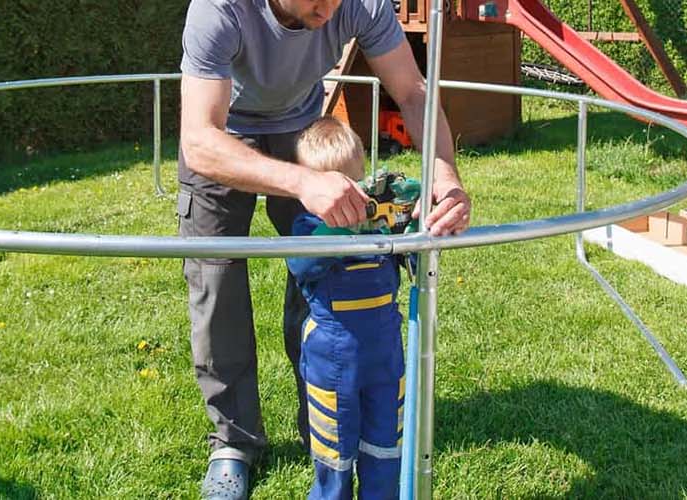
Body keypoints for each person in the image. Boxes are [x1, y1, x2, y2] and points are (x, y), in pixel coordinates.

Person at [177, 1, 471, 497]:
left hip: (302, 130)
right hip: (223, 138)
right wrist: (302, 184)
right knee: (217, 285)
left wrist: (443, 173)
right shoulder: (218, 9)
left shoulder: (361, 3)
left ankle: (320, 415)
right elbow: (200, 140)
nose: (331, 8)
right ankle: (233, 442)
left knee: (326, 275)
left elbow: (413, 92)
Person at [287, 117, 406, 499]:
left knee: (385, 446)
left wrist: (407, 217)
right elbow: (303, 265)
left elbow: (410, 259)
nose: (348, 201)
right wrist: (341, 227)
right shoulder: (307, 229)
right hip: (332, 359)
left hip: (386, 354)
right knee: (334, 455)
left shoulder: (378, 223)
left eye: (354, 185)